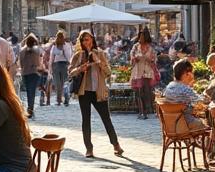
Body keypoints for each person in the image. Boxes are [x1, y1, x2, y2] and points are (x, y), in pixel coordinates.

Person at [69, 30, 122, 158]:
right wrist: (81, 68)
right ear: (81, 42)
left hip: (98, 91)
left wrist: (98, 61)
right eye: (84, 40)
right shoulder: (78, 56)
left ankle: (116, 144)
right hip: (85, 92)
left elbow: (108, 72)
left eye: (88, 39)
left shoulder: (100, 53)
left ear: (92, 40)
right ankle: (89, 148)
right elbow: (70, 72)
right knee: (86, 120)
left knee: (106, 119)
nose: (86, 42)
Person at [160, 60, 206, 131]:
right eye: (191, 72)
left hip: (170, 124)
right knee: (208, 123)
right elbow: (201, 101)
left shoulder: (169, 86)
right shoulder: (185, 89)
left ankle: (193, 141)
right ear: (186, 74)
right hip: (186, 123)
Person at [129, 29, 158, 119]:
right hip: (137, 71)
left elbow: (154, 59)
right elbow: (131, 56)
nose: (141, 38)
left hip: (147, 72)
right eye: (140, 36)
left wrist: (149, 60)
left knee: (145, 92)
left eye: (142, 36)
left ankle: (145, 111)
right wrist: (135, 58)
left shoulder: (150, 48)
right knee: (139, 92)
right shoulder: (135, 46)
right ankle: (141, 112)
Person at [16, 34, 44, 119]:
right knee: (32, 92)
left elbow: (20, 63)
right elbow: (39, 63)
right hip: (34, 73)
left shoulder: (22, 50)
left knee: (28, 91)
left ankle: (29, 108)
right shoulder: (37, 50)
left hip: (25, 73)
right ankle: (30, 109)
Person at [45, 29, 74, 106]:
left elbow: (51, 58)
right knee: (65, 82)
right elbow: (69, 56)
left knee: (58, 84)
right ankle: (66, 96)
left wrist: (50, 69)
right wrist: (71, 65)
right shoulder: (67, 45)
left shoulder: (54, 46)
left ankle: (59, 100)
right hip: (65, 65)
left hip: (56, 66)